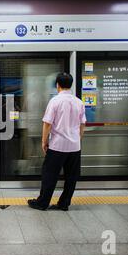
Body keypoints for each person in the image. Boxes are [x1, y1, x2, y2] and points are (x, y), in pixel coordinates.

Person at [28, 72, 86, 211]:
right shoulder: (79, 102)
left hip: (58, 145)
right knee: (71, 177)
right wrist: (77, 139)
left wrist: (44, 141)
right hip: (74, 147)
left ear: (57, 85)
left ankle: (42, 203)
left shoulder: (55, 101)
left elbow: (47, 123)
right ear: (70, 85)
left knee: (50, 175)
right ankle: (64, 203)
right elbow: (83, 124)